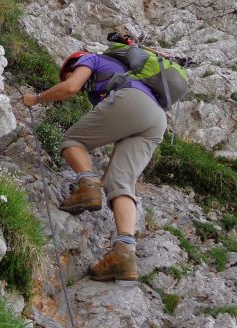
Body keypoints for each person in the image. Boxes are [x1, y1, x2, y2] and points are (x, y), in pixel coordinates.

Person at [22, 48, 167, 281]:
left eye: (69, 73)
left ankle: (87, 188)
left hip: (132, 102)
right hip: (157, 120)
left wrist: (36, 99)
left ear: (74, 64)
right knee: (119, 182)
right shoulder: (125, 74)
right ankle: (125, 254)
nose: (70, 77)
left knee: (72, 139)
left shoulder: (91, 59)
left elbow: (71, 87)